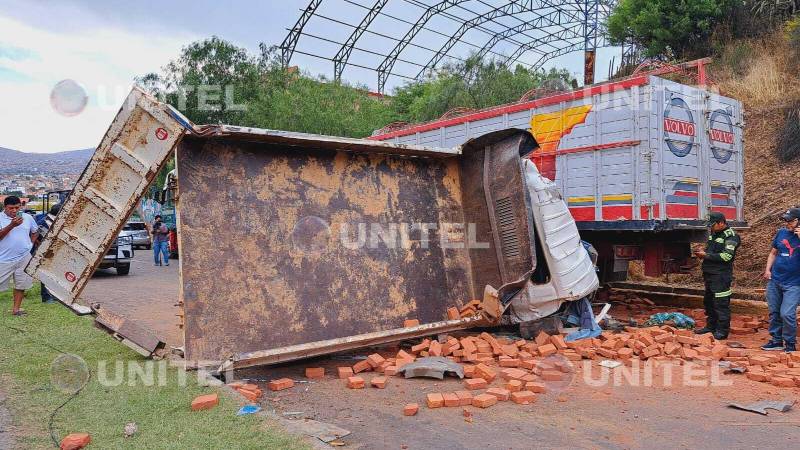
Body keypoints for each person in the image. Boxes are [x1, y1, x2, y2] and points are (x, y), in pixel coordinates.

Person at [693, 212, 740, 340]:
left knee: (721, 304)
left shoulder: (731, 236)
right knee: (709, 302)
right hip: (709, 274)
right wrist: (702, 251)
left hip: (721, 275)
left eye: (712, 225)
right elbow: (712, 250)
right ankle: (710, 327)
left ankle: (722, 331)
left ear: (721, 223)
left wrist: (706, 255)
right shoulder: (714, 234)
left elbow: (727, 256)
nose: (710, 228)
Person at [761, 208, 800, 352]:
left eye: (791, 221)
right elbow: (773, 253)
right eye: (786, 220)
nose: (787, 223)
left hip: (794, 284)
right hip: (775, 280)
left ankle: (790, 343)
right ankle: (776, 341)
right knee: (774, 312)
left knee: (787, 313)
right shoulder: (781, 233)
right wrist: (767, 270)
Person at [0, 196, 39, 316]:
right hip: (3, 259)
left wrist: (30, 244)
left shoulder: (27, 218)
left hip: (24, 257)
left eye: (17, 207)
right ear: (4, 207)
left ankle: (16, 310)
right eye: (11, 208)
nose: (14, 210)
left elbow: (35, 231)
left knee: (21, 284)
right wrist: (11, 225)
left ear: (20, 206)